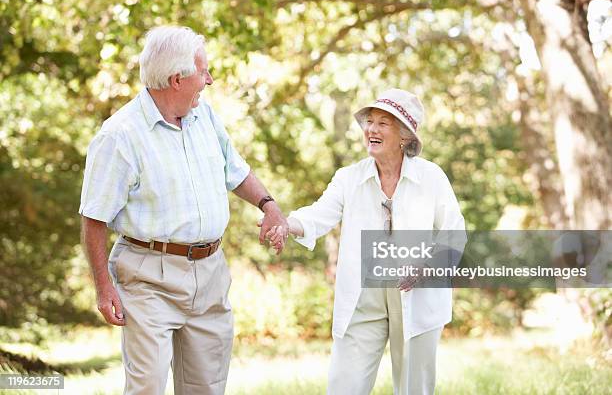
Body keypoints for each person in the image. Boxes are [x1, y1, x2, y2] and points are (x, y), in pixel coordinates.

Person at [79, 25, 288, 395]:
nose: (209, 79)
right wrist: (102, 287)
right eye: (203, 71)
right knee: (147, 388)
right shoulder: (120, 136)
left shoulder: (203, 116)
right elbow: (94, 217)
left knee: (205, 387)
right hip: (148, 276)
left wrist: (268, 205)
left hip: (209, 273)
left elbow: (234, 169)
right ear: (177, 79)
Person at [265, 89, 466, 394]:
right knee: (345, 384)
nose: (371, 129)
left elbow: (454, 232)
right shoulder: (349, 177)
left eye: (383, 123)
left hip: (417, 292)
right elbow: (319, 214)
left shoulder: (432, 177)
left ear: (404, 136)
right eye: (370, 121)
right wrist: (285, 224)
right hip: (363, 294)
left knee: (415, 388)